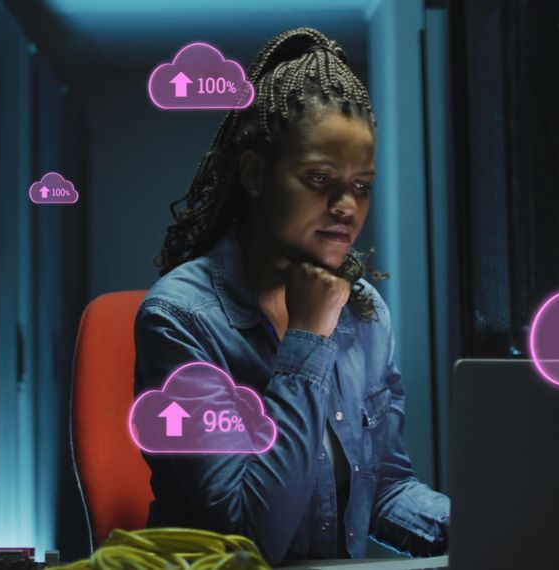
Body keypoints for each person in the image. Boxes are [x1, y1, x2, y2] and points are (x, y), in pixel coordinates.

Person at [133, 27, 449, 564]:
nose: (347, 206)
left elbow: (384, 491)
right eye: (321, 178)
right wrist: (306, 338)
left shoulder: (365, 311)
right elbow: (250, 539)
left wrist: (494, 525)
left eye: (362, 185)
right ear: (256, 174)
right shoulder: (179, 318)